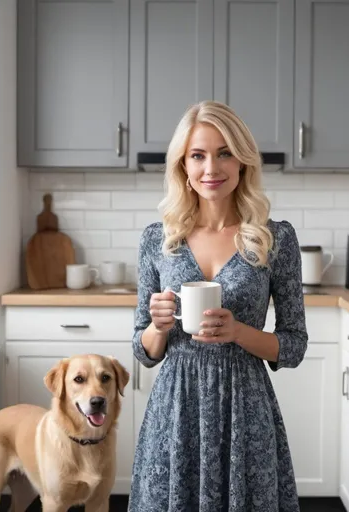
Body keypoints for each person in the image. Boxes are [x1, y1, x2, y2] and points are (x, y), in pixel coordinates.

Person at [128, 100, 308, 512]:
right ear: (184, 167)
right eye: (198, 155)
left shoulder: (275, 238)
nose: (212, 168)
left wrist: (239, 333)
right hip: (176, 406)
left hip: (244, 405)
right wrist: (157, 327)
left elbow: (294, 345)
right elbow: (144, 350)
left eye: (224, 152)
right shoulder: (158, 239)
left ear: (243, 161)